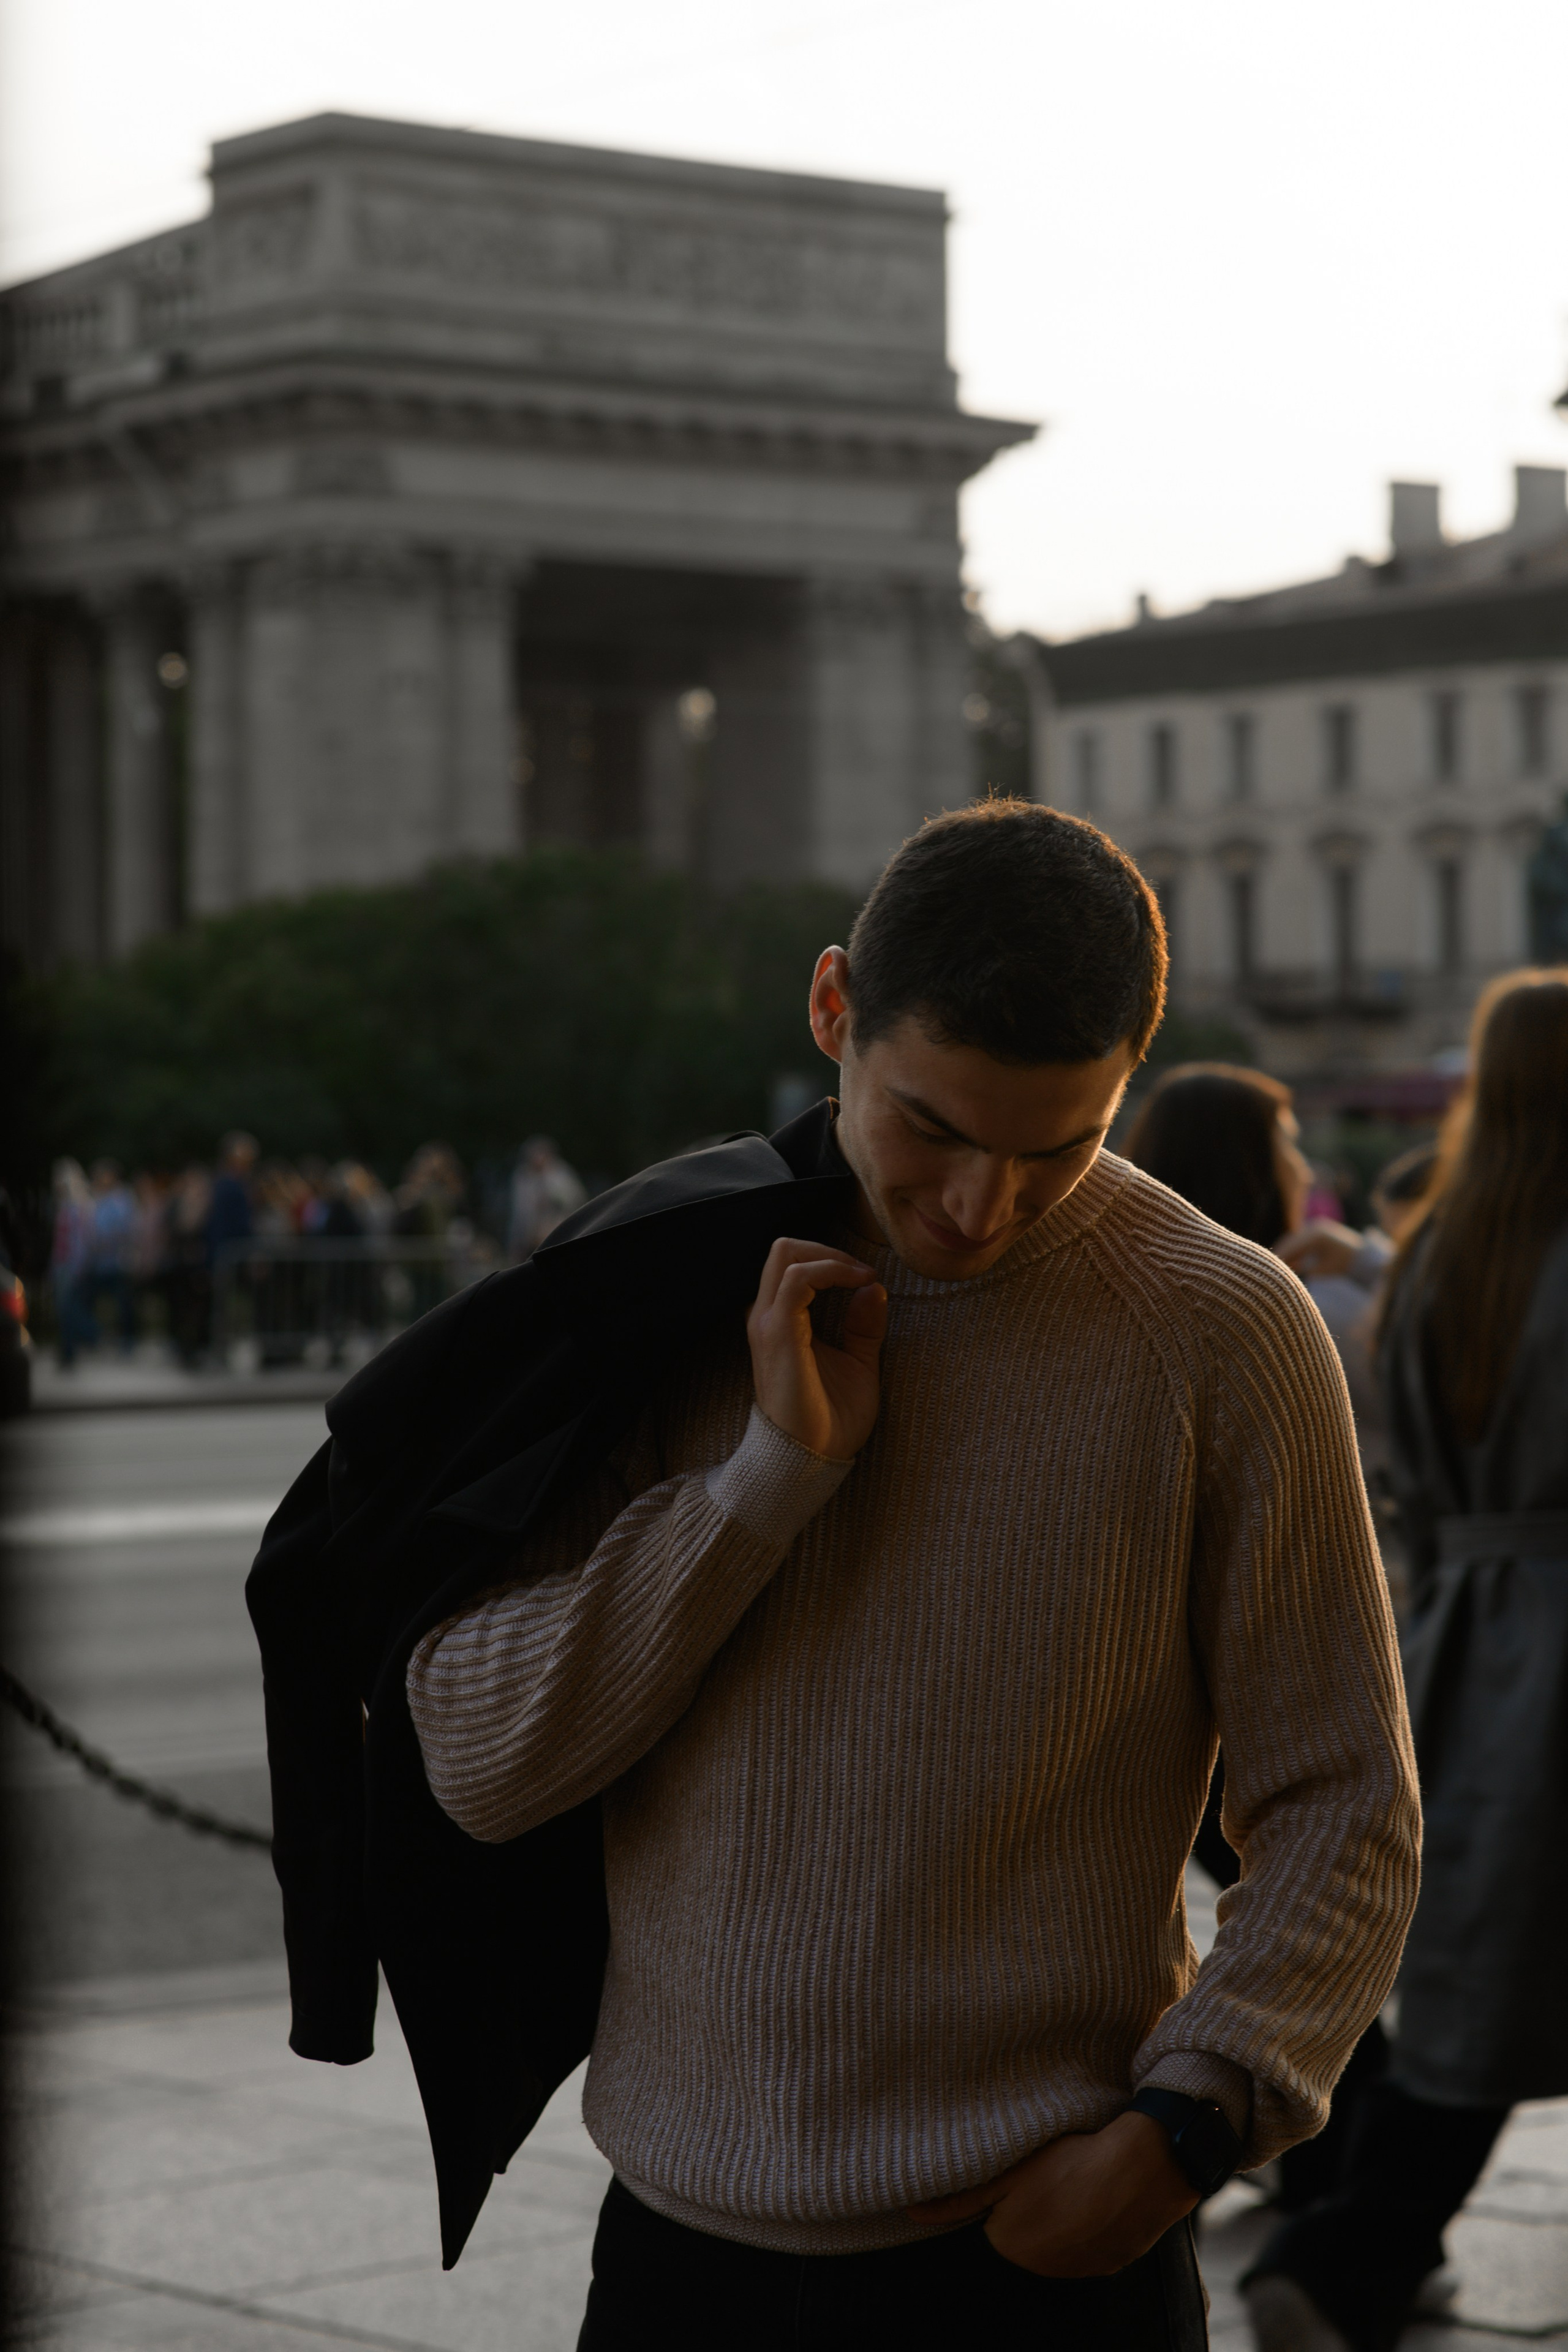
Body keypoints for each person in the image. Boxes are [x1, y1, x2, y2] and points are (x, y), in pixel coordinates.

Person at [351, 801, 1419, 2350]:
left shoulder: (1220, 1326)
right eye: (930, 1126)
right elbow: (480, 1757)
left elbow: (1342, 1798)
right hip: (681, 2260)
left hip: (1046, 2260)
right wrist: (760, 1484)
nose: (978, 1205)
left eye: (1058, 1146)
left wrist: (1184, 2127)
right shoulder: (658, 1286)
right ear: (832, 1007)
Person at [1242, 968, 1568, 2352]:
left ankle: (1344, 2248)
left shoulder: (1439, 1253)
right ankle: (1350, 2248)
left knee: (1474, 1979)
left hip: (1464, 1636)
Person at [1121, 1067, 1398, 2212]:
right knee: (1309, 1898)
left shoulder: (1132, 1299)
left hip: (1154, 1673)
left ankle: (1308, 2156)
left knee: (1247, 1887)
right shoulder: (1300, 1306)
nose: (1303, 1162)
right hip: (1288, 1653)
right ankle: (1334, 2173)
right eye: (1286, 1140)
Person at [48, 1158, 97, 1368]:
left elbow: (80, 1242)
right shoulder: (64, 1206)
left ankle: (82, 1342)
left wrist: (77, 1267)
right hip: (61, 1264)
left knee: (68, 1309)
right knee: (64, 1309)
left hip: (71, 1266)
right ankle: (68, 1351)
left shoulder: (78, 1206)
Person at [508, 1135, 587, 1261]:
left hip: (559, 1231)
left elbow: (574, 1199)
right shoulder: (523, 1177)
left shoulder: (561, 1173)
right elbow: (520, 1212)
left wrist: (551, 1198)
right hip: (532, 1238)